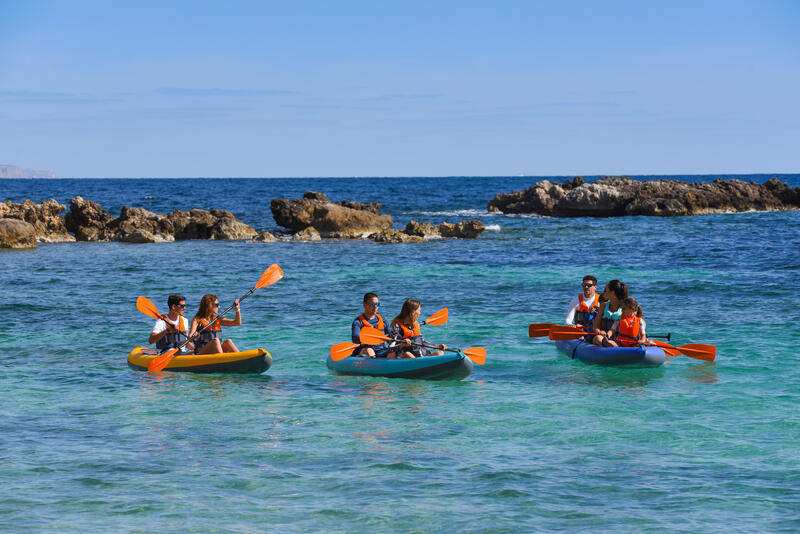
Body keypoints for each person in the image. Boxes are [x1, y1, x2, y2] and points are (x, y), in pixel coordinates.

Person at [351, 292, 394, 358]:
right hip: (364, 349)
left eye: (377, 304)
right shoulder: (358, 322)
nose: (375, 307)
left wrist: (401, 341)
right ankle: (373, 364)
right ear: (364, 305)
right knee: (369, 349)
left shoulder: (382, 320)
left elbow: (390, 336)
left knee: (394, 351)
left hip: (381, 350)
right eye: (372, 304)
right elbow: (355, 338)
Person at [592, 279, 628, 345]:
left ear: (613, 293)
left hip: (618, 339)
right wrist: (599, 332)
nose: (603, 292)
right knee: (597, 338)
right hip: (602, 337)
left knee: (611, 342)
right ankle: (607, 345)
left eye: (605, 290)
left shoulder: (625, 308)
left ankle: (610, 345)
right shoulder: (603, 306)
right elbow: (596, 325)